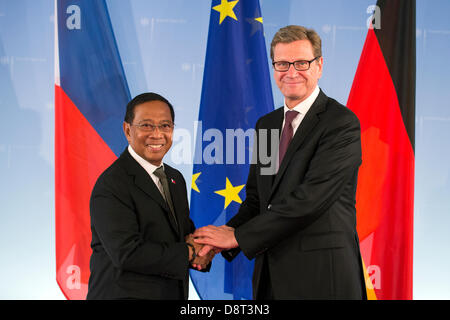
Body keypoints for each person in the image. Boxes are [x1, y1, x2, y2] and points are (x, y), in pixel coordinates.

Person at [193, 25, 367, 299]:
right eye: (282, 63)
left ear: (319, 66)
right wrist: (221, 239)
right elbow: (256, 199)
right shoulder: (267, 126)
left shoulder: (341, 124)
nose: (291, 72)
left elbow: (309, 200)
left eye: (301, 62)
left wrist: (237, 237)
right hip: (271, 277)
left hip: (323, 279)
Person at [87, 92, 213, 300]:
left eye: (165, 126)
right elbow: (127, 253)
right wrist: (189, 252)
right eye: (146, 125)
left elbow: (180, 235)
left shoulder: (175, 179)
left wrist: (206, 246)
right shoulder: (112, 184)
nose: (157, 134)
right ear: (128, 130)